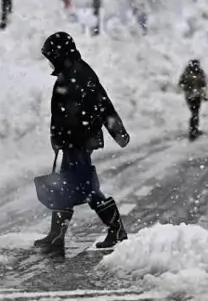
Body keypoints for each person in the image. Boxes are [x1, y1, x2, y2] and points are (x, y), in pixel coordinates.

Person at [34, 31, 131, 255]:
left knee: (85, 187)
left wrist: (118, 132)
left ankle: (116, 229)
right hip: (72, 141)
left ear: (60, 54)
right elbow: (61, 114)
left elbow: (102, 103)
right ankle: (56, 235)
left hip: (79, 141)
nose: (50, 60)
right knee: (66, 185)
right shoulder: (70, 72)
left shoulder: (80, 73)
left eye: (51, 56)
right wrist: (57, 137)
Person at [178, 59, 208, 141]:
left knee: (196, 113)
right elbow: (181, 84)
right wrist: (189, 89)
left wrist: (202, 94)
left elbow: (203, 84)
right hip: (190, 96)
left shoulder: (199, 72)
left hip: (197, 96)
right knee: (194, 113)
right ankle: (193, 132)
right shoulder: (187, 73)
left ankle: (195, 130)